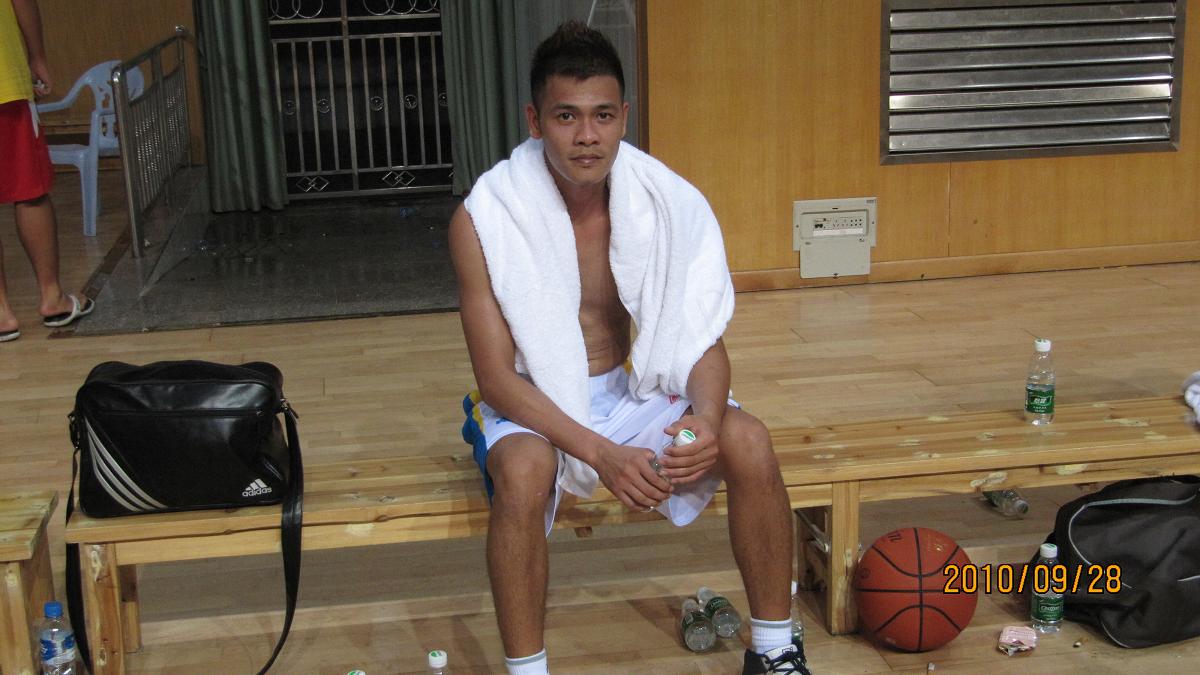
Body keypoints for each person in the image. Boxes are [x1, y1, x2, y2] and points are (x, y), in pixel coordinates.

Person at [451, 22, 808, 674]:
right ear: (534, 120)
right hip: (529, 404)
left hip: (625, 393)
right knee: (525, 473)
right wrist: (601, 453)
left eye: (603, 115)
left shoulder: (663, 201)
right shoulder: (487, 217)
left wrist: (705, 418)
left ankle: (775, 647)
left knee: (749, 439)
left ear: (624, 116)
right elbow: (498, 379)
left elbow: (699, 336)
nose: (587, 135)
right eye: (566, 116)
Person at [0, 0, 94, 344]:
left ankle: (0, 314)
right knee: (29, 192)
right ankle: (52, 297)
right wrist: (37, 55)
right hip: (4, 81)